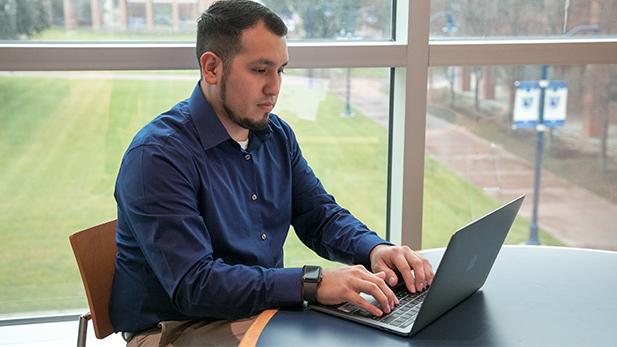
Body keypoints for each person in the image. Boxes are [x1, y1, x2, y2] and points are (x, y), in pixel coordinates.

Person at [109, 1, 434, 346]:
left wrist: (374, 250)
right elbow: (195, 284)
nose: (274, 87)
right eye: (260, 70)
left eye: (280, 70)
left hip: (258, 311)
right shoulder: (157, 156)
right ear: (211, 68)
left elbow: (319, 215)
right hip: (177, 327)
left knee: (375, 329)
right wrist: (313, 283)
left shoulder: (276, 135)